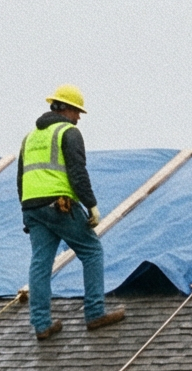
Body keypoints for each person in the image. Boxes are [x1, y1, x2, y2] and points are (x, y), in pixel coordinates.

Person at [19, 84, 125, 339]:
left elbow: (21, 177)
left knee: (40, 263)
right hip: (59, 204)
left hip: (33, 206)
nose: (79, 118)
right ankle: (95, 313)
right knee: (91, 251)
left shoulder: (30, 137)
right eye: (77, 111)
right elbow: (78, 173)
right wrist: (91, 205)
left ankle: (42, 324)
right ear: (65, 109)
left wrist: (26, 213)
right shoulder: (68, 133)